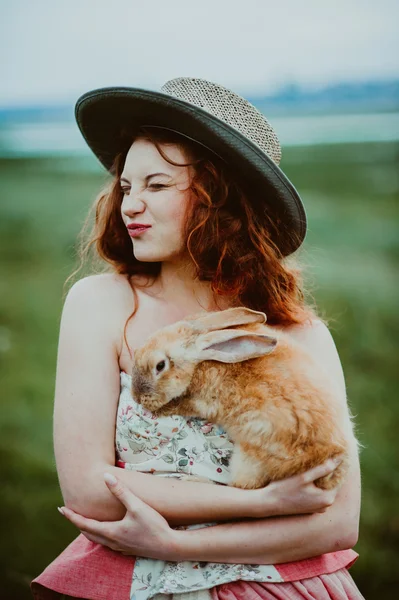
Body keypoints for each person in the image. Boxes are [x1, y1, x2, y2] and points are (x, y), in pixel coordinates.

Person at [31, 77, 364, 600]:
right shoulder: (102, 304)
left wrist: (173, 545)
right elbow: (89, 493)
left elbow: (339, 523)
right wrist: (264, 505)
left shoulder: (299, 336)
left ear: (219, 199)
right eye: (126, 186)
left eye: (156, 186)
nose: (130, 205)